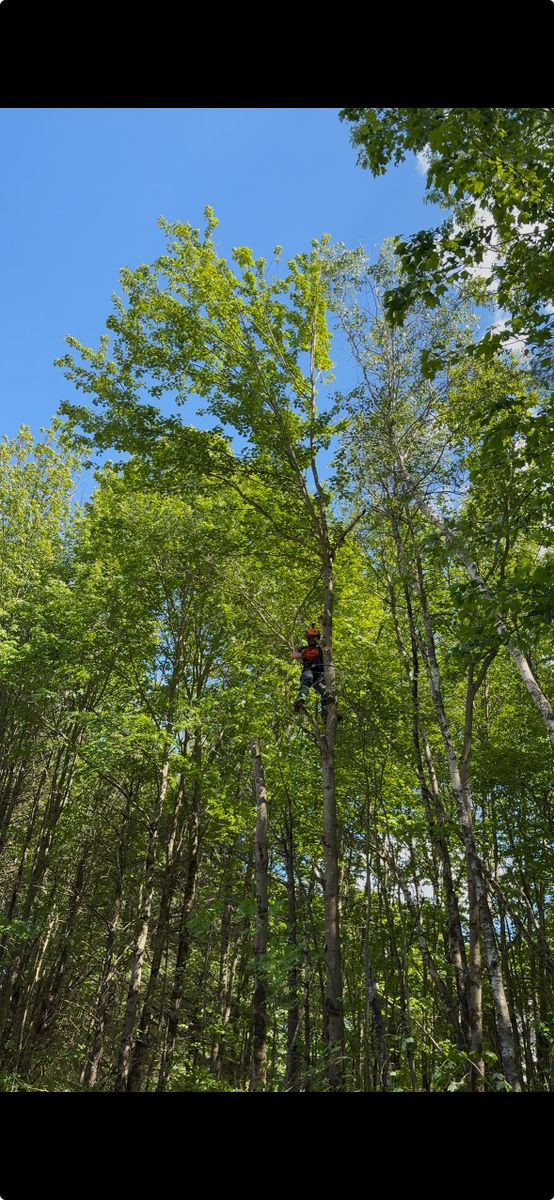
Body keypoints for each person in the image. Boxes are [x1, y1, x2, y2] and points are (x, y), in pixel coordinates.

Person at [291, 624, 330, 720]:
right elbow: (293, 655)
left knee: (325, 692)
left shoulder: (321, 649)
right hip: (309, 670)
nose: (312, 640)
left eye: (314, 638)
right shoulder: (303, 648)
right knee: (307, 678)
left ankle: (325, 714)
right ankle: (301, 698)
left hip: (320, 675)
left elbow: (328, 653)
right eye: (310, 638)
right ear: (307, 638)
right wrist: (302, 653)